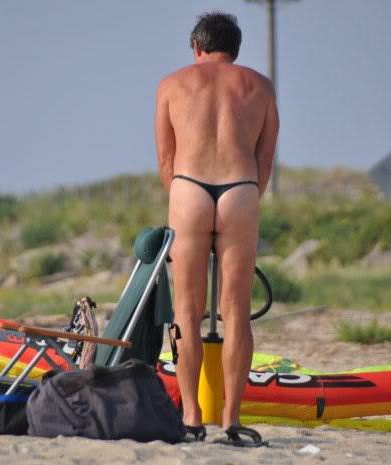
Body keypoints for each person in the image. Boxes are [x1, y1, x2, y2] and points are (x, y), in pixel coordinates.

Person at [154, 12, 279, 446]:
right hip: (241, 188)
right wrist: (248, 198)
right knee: (237, 311)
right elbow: (265, 159)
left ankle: (191, 416)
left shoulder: (171, 84)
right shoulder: (261, 86)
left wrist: (182, 199)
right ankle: (231, 418)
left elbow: (166, 159)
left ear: (197, 46)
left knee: (186, 312)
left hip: (188, 188)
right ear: (235, 49)